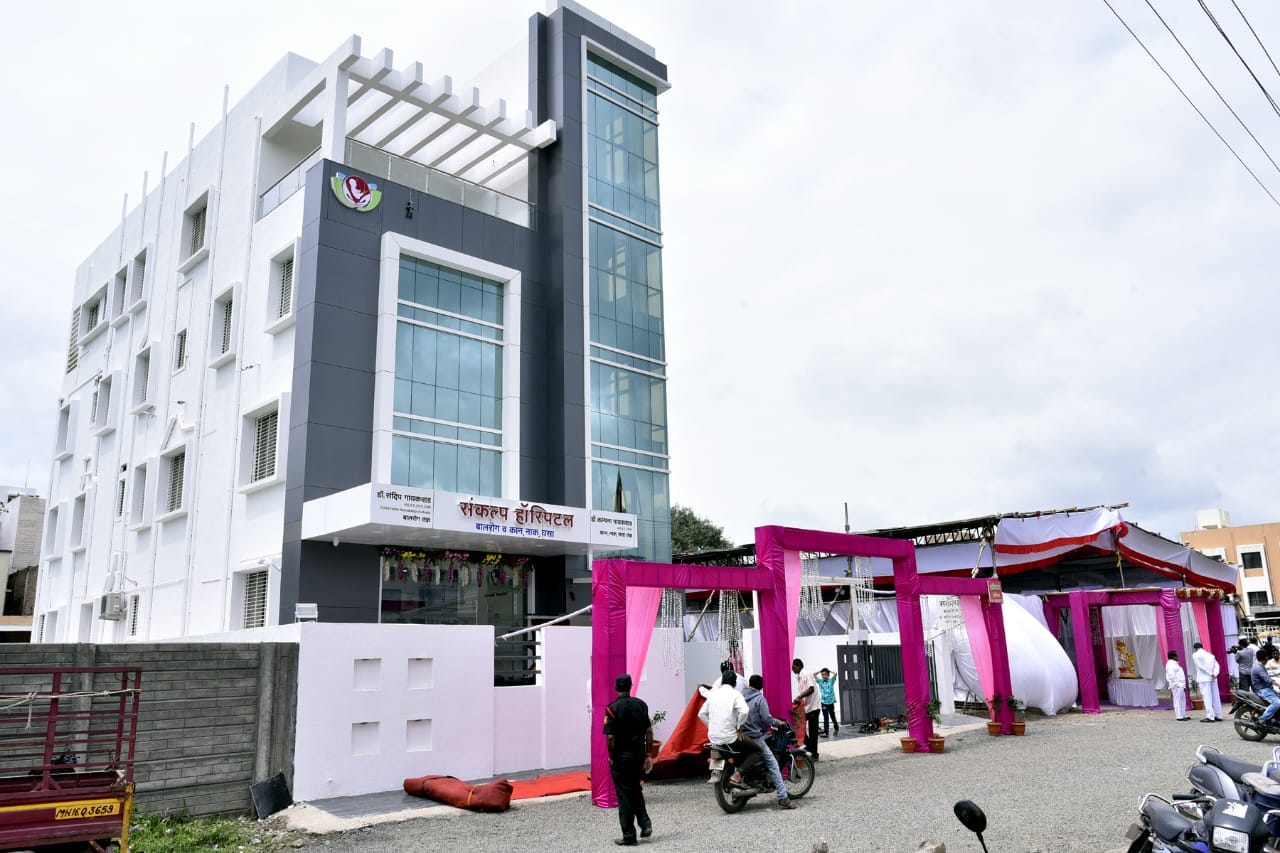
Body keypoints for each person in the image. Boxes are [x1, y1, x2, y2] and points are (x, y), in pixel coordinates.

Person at [603, 674, 653, 846]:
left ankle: (629, 835)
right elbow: (649, 732)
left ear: (616, 688)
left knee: (624, 795)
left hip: (621, 757)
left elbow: (610, 737)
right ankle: (645, 823)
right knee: (635, 788)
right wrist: (648, 754)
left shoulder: (612, 709)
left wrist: (611, 757)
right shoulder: (641, 705)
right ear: (630, 687)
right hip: (638, 755)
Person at [698, 669, 763, 787]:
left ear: (722, 681)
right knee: (758, 751)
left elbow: (701, 714)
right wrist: (739, 727)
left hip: (713, 738)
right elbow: (744, 711)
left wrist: (710, 726)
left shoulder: (713, 694)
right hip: (730, 738)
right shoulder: (735, 694)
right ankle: (738, 775)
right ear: (735, 683)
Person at [742, 674, 797, 809]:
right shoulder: (759, 698)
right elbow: (767, 719)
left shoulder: (740, 696)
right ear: (761, 687)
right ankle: (783, 797)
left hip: (740, 737)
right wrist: (779, 723)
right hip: (754, 737)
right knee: (773, 765)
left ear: (749, 684)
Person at [792, 658, 822, 760]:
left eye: (793, 667)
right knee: (800, 727)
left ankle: (814, 754)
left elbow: (811, 688)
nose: (792, 669)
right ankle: (809, 748)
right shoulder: (799, 677)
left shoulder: (805, 674)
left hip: (813, 706)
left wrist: (799, 696)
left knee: (813, 732)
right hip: (807, 707)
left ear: (799, 666)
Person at [1191, 642, 1222, 723]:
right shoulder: (1210, 655)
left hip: (1204, 678)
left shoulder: (1196, 655)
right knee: (1216, 696)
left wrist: (1210, 673)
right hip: (1213, 678)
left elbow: (1200, 666)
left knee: (1207, 697)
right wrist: (1215, 674)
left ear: (1195, 649)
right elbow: (1217, 665)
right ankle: (1219, 715)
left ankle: (1210, 716)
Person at [1250, 647, 1280, 727]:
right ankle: (1262, 719)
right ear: (1266, 658)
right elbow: (1267, 679)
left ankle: (1275, 719)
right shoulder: (1258, 667)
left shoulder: (1260, 666)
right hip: (1263, 690)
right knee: (1277, 703)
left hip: (1267, 689)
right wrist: (1278, 684)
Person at [1165, 651, 1189, 721]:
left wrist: (1183, 686)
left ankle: (1183, 714)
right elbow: (1171, 676)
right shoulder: (1170, 665)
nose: (1177, 657)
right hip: (1177, 685)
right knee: (1177, 701)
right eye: (1176, 656)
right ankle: (1179, 716)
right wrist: (1177, 684)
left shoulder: (1175, 664)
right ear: (1173, 657)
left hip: (1181, 685)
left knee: (1182, 700)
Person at [816, 667, 839, 737]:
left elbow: (835, 673)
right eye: (822, 674)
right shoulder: (820, 681)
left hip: (831, 702)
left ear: (828, 675)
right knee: (825, 718)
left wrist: (830, 671)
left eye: (825, 674)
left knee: (832, 717)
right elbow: (813, 675)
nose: (823, 676)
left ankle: (836, 728)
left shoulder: (831, 681)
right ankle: (826, 732)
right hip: (824, 702)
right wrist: (820, 670)